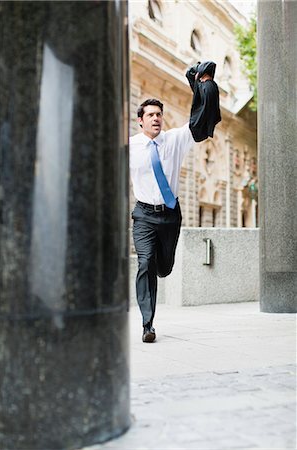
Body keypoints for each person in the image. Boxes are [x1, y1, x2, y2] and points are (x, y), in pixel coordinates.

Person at [130, 62, 221, 343]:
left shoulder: (174, 140)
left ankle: (162, 266)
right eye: (151, 115)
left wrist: (203, 86)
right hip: (144, 215)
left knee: (163, 268)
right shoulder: (130, 146)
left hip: (170, 216)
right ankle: (148, 324)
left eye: (159, 114)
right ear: (141, 121)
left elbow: (198, 124)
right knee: (145, 262)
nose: (156, 118)